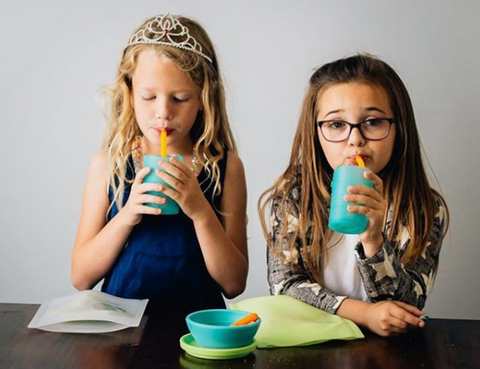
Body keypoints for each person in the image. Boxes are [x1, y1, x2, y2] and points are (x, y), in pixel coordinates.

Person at [258, 54, 449, 336]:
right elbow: (284, 286)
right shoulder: (294, 198)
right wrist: (364, 314)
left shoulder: (423, 208)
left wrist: (374, 240)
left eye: (372, 122)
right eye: (336, 124)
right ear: (316, 133)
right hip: (311, 346)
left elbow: (406, 306)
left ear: (399, 128)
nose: (355, 139)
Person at [71, 14, 248, 312]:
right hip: (120, 327)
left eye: (180, 98)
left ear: (203, 97)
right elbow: (80, 277)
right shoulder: (107, 164)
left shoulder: (226, 168)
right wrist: (127, 215)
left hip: (196, 329)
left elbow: (233, 285)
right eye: (149, 96)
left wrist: (200, 212)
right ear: (129, 93)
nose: (163, 112)